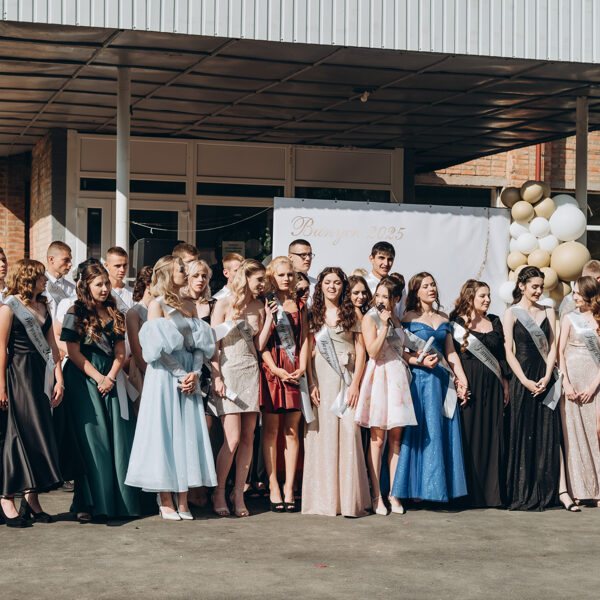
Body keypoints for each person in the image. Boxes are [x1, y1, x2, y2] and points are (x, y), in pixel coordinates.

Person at [126, 256, 217, 521]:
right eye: (181, 269)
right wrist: (181, 374)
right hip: (165, 376)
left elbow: (199, 345)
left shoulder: (190, 304)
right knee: (165, 432)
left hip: (189, 374)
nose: (186, 273)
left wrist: (195, 372)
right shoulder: (157, 305)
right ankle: (165, 498)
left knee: (186, 433)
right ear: (167, 273)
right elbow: (156, 350)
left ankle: (183, 498)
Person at [61, 263, 148, 521]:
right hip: (83, 379)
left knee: (119, 438)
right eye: (98, 284)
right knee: (93, 441)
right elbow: (73, 352)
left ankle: (120, 503)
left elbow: (120, 350)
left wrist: (110, 376)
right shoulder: (74, 312)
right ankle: (89, 502)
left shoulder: (115, 311)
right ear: (86, 286)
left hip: (111, 377)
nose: (104, 288)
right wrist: (99, 377)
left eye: (106, 284)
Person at [391, 272, 469, 505]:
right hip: (421, 381)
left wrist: (462, 379)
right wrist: (420, 361)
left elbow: (451, 353)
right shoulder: (407, 318)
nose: (431, 289)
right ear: (416, 291)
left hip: (442, 380)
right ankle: (417, 488)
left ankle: (439, 488)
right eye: (425, 286)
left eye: (433, 284)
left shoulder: (444, 317)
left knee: (441, 429)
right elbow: (401, 351)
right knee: (423, 432)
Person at [302, 267, 371, 517]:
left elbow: (361, 350)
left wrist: (355, 384)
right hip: (322, 377)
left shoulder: (352, 312)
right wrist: (311, 383)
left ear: (343, 286)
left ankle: (349, 500)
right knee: (324, 434)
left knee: (350, 432)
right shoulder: (312, 314)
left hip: (347, 378)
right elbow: (307, 350)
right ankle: (325, 500)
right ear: (320, 285)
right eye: (327, 282)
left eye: (337, 283)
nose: (332, 287)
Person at [0, 260, 64, 527]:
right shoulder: (9, 307)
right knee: (18, 435)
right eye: (40, 276)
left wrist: (59, 380)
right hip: (18, 375)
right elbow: (1, 348)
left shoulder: (43, 305)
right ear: (28, 278)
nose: (45, 280)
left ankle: (32, 500)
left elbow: (52, 346)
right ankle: (6, 498)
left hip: (41, 376)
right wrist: (1, 386)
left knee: (38, 435)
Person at [211, 259, 272, 517]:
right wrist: (216, 376)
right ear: (245, 277)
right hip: (228, 371)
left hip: (250, 371)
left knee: (248, 437)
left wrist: (269, 318)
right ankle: (218, 491)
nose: (262, 284)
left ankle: (238, 493)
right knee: (232, 438)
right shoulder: (224, 303)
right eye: (259, 279)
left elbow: (259, 345)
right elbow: (212, 344)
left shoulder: (259, 306)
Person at [355, 277, 417, 516]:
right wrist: (383, 326)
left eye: (386, 297)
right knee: (377, 440)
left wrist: (418, 358)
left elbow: (401, 351)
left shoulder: (397, 320)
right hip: (379, 377)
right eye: (378, 295)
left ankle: (394, 493)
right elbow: (372, 351)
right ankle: (376, 495)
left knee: (396, 440)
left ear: (396, 299)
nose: (380, 300)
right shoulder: (370, 318)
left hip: (397, 378)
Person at [502, 266, 561, 511]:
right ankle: (522, 492)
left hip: (545, 377)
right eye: (534, 286)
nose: (538, 291)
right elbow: (508, 351)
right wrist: (525, 381)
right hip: (523, 378)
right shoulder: (511, 312)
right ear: (522, 286)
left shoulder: (549, 311)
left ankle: (545, 493)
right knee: (523, 432)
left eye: (540, 287)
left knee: (546, 433)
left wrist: (547, 376)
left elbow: (553, 346)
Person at [449, 280, 510, 508]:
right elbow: (451, 355)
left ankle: (491, 495)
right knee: (469, 435)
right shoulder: (456, 323)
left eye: (489, 295)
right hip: (469, 386)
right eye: (482, 296)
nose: (487, 300)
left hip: (493, 387)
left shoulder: (494, 321)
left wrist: (505, 384)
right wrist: (458, 382)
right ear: (470, 298)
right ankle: (467, 494)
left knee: (493, 437)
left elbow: (501, 356)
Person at [259, 257, 309, 512]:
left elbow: (305, 338)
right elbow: (261, 343)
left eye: (290, 274)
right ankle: (273, 486)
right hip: (273, 369)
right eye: (281, 275)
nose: (286, 279)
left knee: (292, 430)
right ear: (272, 276)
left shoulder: (300, 304)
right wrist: (275, 369)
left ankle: (289, 486)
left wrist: (303, 366)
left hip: (295, 369)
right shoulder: (266, 303)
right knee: (271, 430)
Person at [558, 275, 600, 508]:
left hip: (594, 381)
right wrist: (566, 383)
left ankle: (597, 490)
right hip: (572, 381)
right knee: (573, 436)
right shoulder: (569, 317)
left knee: (595, 434)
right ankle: (578, 489)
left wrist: (593, 386)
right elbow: (560, 352)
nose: (573, 297)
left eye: (577, 293)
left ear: (589, 295)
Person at [126, 266, 153, 411]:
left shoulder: (160, 309)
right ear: (148, 284)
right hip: (141, 368)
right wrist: (149, 374)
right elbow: (135, 350)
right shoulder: (134, 312)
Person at [44, 241, 75, 320]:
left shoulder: (72, 289)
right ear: (51, 259)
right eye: (66, 260)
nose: (70, 264)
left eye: (70, 260)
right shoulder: (37, 285)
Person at [104, 246, 133, 313]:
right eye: (117, 266)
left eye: (125, 265)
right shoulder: (102, 292)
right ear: (106, 265)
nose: (122, 270)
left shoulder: (132, 294)